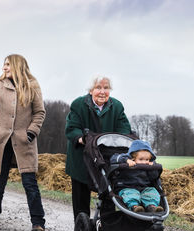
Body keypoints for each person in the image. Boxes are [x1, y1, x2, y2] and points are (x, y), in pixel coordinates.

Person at [0, 54, 46, 231]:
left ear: (18, 66)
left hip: (24, 141)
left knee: (30, 184)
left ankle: (38, 224)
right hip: (1, 142)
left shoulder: (32, 85)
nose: (4, 68)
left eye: (8, 65)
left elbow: (39, 112)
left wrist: (31, 132)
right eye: (4, 65)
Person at [65, 76, 131, 221]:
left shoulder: (117, 106)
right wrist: (82, 138)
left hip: (106, 156)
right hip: (81, 156)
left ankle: (107, 224)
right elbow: (72, 128)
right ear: (91, 90)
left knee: (108, 189)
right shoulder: (78, 104)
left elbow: (124, 129)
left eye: (106, 88)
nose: (102, 92)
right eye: (98, 88)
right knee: (81, 192)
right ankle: (81, 225)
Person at [110, 140, 164, 213]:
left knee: (152, 192)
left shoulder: (148, 165)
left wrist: (152, 169)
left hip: (144, 188)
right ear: (133, 157)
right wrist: (126, 160)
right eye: (141, 159)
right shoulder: (126, 160)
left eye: (147, 159)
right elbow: (113, 158)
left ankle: (152, 206)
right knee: (131, 194)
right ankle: (135, 206)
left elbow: (153, 178)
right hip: (127, 187)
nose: (144, 162)